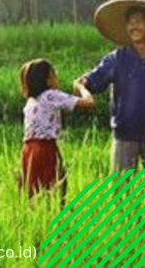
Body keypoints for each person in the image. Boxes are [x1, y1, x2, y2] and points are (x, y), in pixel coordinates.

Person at [79, 0, 145, 173]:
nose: (133, 27)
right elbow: (93, 81)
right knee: (122, 192)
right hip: (125, 135)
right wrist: (83, 83)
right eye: (130, 23)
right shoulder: (117, 59)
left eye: (138, 22)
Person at [19, 59, 94, 204]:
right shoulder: (52, 95)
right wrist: (80, 88)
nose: (57, 76)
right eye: (54, 73)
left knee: (33, 192)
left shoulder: (31, 101)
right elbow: (89, 103)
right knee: (56, 188)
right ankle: (57, 217)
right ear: (48, 80)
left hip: (28, 150)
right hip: (45, 149)